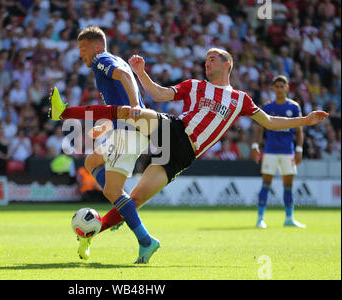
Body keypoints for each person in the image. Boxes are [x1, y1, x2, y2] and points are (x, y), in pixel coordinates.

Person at [49, 48, 329, 260]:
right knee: (130, 112)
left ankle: (120, 237)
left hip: (184, 156)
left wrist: (304, 120)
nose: (208, 62)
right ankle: (66, 113)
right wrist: (141, 73)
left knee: (133, 200)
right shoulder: (195, 85)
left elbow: (269, 122)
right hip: (175, 131)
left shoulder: (240, 99)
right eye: (206, 59)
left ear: (227, 64)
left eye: (213, 59)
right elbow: (159, 95)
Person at [52, 25, 158, 264]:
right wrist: (107, 126)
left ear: (97, 46)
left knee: (112, 191)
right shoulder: (103, 64)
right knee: (91, 161)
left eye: (83, 48)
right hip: (124, 130)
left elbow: (125, 73)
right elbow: (118, 101)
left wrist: (134, 106)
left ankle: (145, 240)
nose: (81, 54)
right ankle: (124, 206)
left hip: (131, 130)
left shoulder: (102, 59)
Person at [251, 75, 305, 229]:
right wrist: (255, 145)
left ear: (287, 88)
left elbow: (299, 131)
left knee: (288, 185)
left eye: (282, 86)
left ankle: (289, 218)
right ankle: (260, 218)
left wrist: (299, 149)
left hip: (288, 151)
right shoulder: (267, 108)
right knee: (266, 183)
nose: (280, 89)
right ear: (273, 88)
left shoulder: (294, 107)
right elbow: (259, 129)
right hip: (271, 151)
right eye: (277, 86)